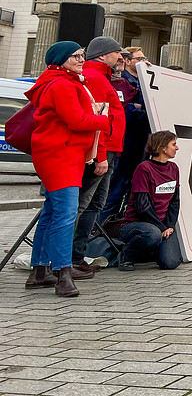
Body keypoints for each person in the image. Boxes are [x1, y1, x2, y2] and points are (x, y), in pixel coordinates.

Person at [24, 41, 113, 297]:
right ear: (61, 59)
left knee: (52, 213)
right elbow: (75, 120)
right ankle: (62, 273)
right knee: (65, 214)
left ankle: (40, 271)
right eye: (75, 56)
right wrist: (104, 119)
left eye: (82, 55)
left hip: (59, 153)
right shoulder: (62, 84)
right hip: (61, 155)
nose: (81, 59)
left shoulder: (60, 81)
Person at [72, 36, 126, 274]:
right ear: (103, 55)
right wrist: (101, 154)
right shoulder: (94, 77)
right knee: (85, 204)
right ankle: (72, 256)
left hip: (108, 148)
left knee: (94, 204)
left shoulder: (100, 76)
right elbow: (97, 119)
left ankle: (77, 254)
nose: (120, 57)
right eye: (116, 52)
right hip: (102, 150)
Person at [98, 47, 151, 225]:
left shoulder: (136, 82)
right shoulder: (119, 81)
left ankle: (116, 226)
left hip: (136, 145)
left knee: (130, 190)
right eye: (139, 59)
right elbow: (125, 111)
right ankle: (100, 229)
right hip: (121, 145)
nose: (143, 62)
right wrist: (137, 109)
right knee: (113, 190)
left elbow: (140, 106)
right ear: (128, 62)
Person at [119, 130, 182, 271]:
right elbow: (142, 205)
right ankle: (126, 255)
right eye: (173, 144)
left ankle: (150, 252)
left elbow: (175, 201)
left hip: (162, 225)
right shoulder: (144, 168)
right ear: (163, 147)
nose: (177, 148)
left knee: (170, 263)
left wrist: (169, 226)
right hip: (137, 225)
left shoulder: (174, 168)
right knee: (153, 234)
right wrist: (161, 228)